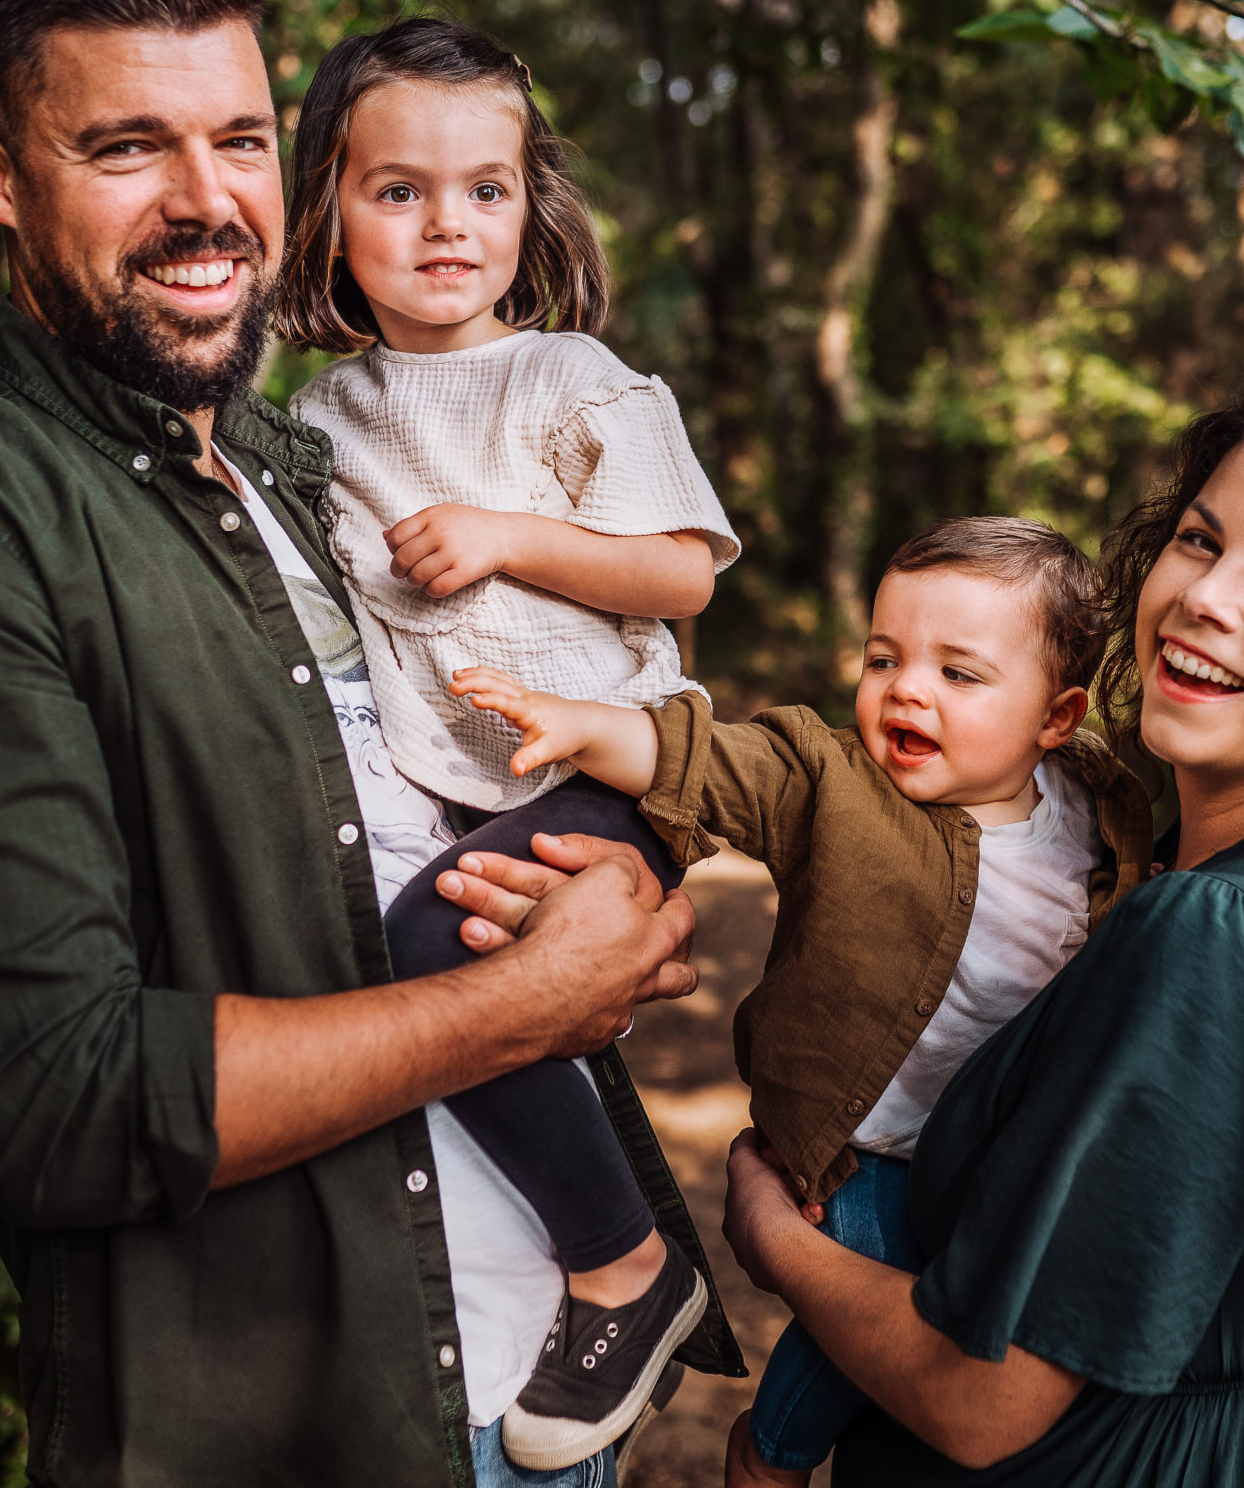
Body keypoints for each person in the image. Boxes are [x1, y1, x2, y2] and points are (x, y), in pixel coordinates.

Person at [0, 0, 738, 1488]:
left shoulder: (316, 465)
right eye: (127, 148)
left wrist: (626, 865)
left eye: (236, 138)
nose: (206, 201)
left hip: (543, 1385)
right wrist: (519, 1000)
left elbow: (617, 702)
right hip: (310, 1419)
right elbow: (59, 1099)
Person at [701, 382, 1244, 1484]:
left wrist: (774, 1234)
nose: (1203, 597)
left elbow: (980, 1400)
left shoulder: (1211, 931)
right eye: (1199, 541)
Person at [446, 516, 1161, 1485]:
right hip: (863, 1149)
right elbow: (713, 763)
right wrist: (580, 724)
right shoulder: (835, 782)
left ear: (1057, 719)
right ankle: (769, 1454)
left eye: (959, 673)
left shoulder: (1099, 810)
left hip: (1003, 1157)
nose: (906, 688)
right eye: (883, 657)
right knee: (852, 1316)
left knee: (970, 1333)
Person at [275, 16, 742, 1469]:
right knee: (447, 944)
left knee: (437, 946)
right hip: (457, 780)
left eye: (485, 188)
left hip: (602, 758)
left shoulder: (571, 380)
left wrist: (507, 539)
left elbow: (683, 571)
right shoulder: (319, 417)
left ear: (530, 206)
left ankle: (626, 1265)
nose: (445, 224)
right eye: (397, 189)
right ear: (328, 213)